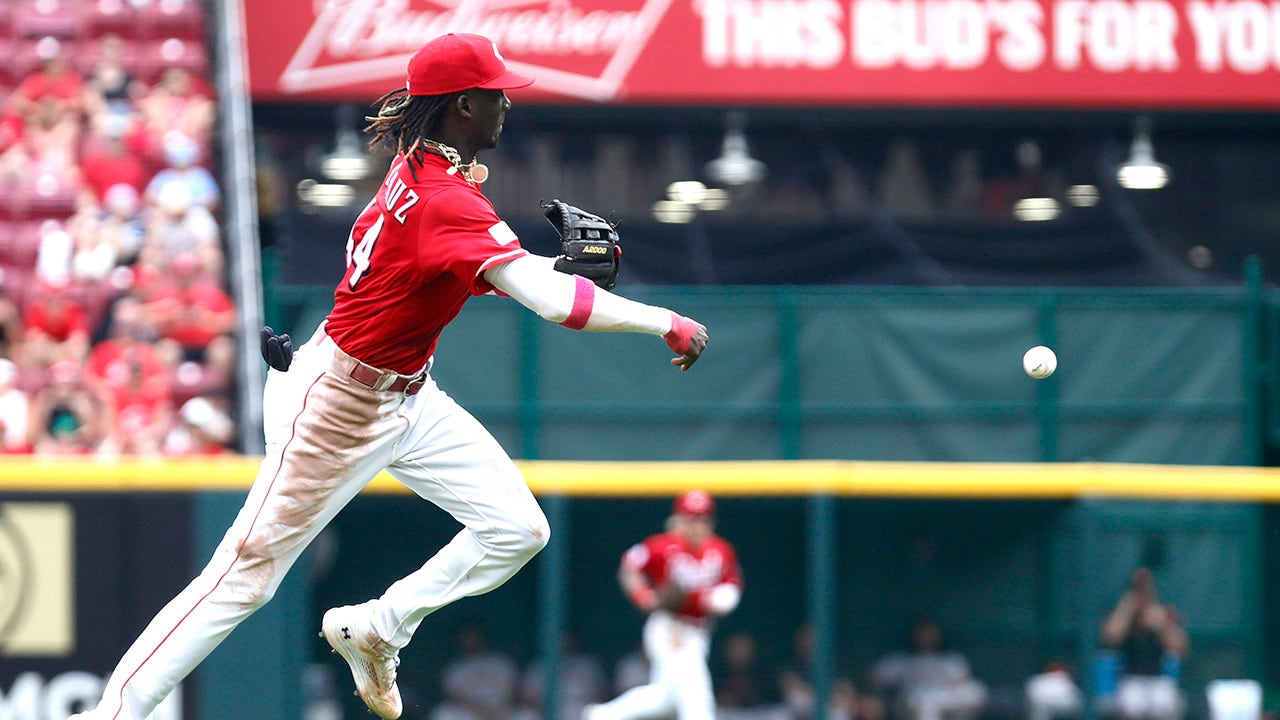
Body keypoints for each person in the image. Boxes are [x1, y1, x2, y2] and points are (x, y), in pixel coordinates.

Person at [67, 32, 707, 720]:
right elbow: (555, 305)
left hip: (400, 392)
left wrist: (545, 269)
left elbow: (475, 271)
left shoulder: (425, 166)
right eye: (494, 94)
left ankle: (378, 626)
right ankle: (112, 714)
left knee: (518, 529)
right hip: (339, 407)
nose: (504, 105)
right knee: (243, 578)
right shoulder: (445, 199)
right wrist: (662, 320)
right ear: (464, 105)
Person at [583, 490, 742, 720]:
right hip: (670, 627)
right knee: (697, 699)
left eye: (702, 518)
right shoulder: (662, 546)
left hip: (700, 629)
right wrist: (643, 596)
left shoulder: (721, 550)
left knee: (665, 700)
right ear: (678, 519)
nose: (697, 525)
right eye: (691, 518)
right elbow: (629, 566)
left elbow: (731, 588)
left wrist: (718, 599)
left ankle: (602, 715)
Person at [1099, 568, 1189, 720]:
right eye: (1139, 586)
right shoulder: (1123, 615)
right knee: (1132, 704)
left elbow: (1179, 647)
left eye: (1145, 586)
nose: (1142, 591)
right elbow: (1111, 638)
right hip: (1129, 680)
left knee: (1165, 702)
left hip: (1158, 679)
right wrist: (1126, 609)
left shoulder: (1159, 613)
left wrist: (1158, 621)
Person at [869, 616, 988, 720]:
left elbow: (963, 683)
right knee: (927, 702)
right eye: (923, 633)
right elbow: (874, 678)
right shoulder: (901, 661)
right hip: (916, 700)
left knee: (976, 691)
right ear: (914, 634)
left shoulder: (951, 658)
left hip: (947, 699)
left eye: (930, 632)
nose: (926, 637)